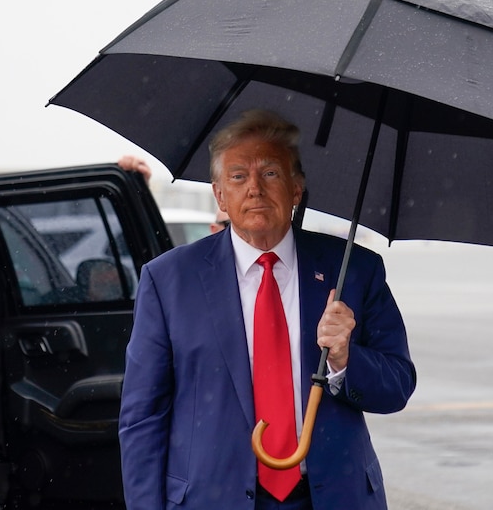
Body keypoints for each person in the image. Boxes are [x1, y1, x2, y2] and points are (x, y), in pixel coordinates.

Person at [119, 109, 415, 510]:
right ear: (220, 194)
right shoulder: (169, 280)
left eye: (271, 173)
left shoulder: (353, 270)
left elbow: (397, 386)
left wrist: (345, 359)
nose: (255, 188)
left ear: (297, 189)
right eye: (238, 176)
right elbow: (143, 417)